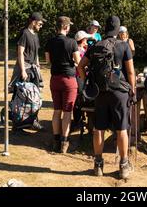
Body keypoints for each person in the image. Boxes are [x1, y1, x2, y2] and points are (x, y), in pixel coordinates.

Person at [78, 15, 136, 180]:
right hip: (119, 92)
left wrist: (87, 83)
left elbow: (81, 66)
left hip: (100, 92)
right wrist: (132, 90)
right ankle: (124, 166)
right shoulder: (123, 46)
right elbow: (130, 71)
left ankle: (98, 165)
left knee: (99, 128)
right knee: (121, 129)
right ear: (118, 29)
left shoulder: (96, 45)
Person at [45, 16, 78, 153]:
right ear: (65, 27)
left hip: (55, 79)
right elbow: (78, 61)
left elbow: (48, 62)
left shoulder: (50, 42)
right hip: (69, 79)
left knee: (56, 110)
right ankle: (64, 143)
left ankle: (55, 141)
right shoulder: (72, 42)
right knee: (67, 112)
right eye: (69, 26)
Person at [9, 11, 45, 131]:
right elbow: (20, 52)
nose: (41, 26)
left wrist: (38, 65)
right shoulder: (24, 33)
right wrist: (23, 71)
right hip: (25, 69)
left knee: (35, 97)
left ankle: (32, 121)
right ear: (33, 22)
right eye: (39, 24)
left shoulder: (35, 35)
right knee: (20, 96)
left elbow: (36, 53)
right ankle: (17, 125)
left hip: (33, 69)